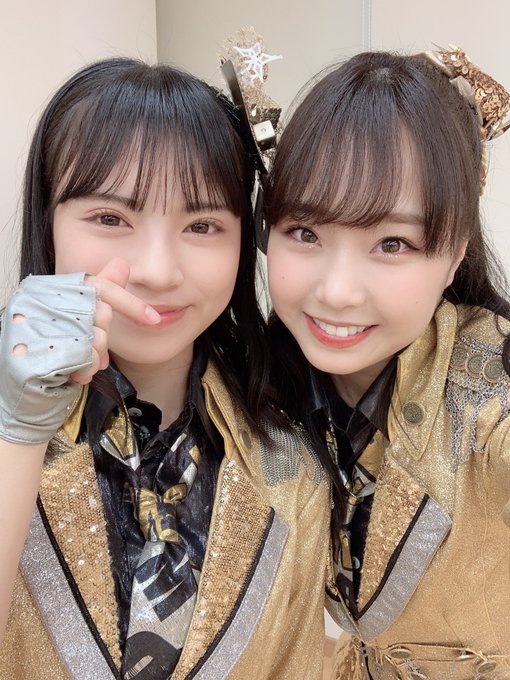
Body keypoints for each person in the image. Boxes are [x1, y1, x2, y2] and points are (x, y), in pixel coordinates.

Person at [0, 57, 331, 680]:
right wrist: (17, 433)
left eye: (202, 225)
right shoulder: (7, 418)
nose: (156, 270)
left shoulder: (289, 460)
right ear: (48, 219)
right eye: (110, 218)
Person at [265, 46, 510, 678]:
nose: (337, 291)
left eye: (392, 243)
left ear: (455, 254)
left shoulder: (490, 390)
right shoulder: (265, 382)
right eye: (305, 233)